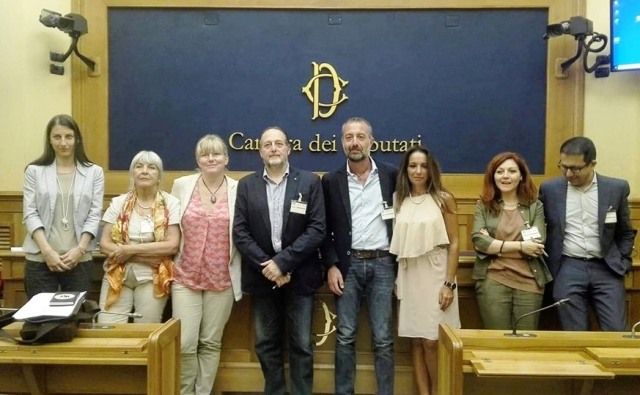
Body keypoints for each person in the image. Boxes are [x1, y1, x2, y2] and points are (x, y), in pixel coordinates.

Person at [233, 126, 325, 395]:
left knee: (302, 345)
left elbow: (317, 229)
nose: (273, 148)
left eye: (278, 143)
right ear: (260, 151)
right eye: (267, 144)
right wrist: (269, 266)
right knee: (265, 343)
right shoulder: (246, 185)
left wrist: (282, 263)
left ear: (288, 148)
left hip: (300, 277)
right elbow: (240, 232)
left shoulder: (309, 182)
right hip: (262, 279)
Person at [321, 117, 398, 395]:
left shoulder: (392, 175)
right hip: (347, 266)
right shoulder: (330, 181)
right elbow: (323, 228)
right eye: (349, 137)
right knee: (344, 337)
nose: (355, 142)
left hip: (384, 264)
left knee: (384, 339)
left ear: (371, 141)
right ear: (341, 143)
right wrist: (331, 264)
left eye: (360, 136)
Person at [170, 135, 242, 395]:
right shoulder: (181, 185)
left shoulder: (239, 189)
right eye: (204, 154)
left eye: (216, 154)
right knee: (185, 343)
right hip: (185, 275)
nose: (210, 159)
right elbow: (170, 225)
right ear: (197, 160)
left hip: (222, 278)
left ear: (226, 159)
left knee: (210, 343)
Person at [540, 137, 636, 331]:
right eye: (563, 166)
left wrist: (623, 260)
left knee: (616, 331)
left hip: (607, 267)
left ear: (592, 164)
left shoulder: (616, 188)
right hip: (568, 266)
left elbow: (625, 231)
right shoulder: (550, 190)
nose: (568, 173)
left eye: (576, 168)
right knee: (574, 333)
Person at [389, 146, 460, 395]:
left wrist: (449, 283)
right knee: (416, 341)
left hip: (436, 272)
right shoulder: (399, 199)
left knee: (432, 341)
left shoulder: (443, 198)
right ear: (406, 170)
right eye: (412, 166)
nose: (418, 171)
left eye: (423, 166)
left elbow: (454, 244)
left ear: (431, 169)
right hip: (409, 273)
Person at [22, 114, 104, 299]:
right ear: (49, 140)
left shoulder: (94, 172)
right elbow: (30, 213)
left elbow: (94, 214)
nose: (63, 142)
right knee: (40, 320)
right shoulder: (34, 171)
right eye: (57, 137)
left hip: (78, 258)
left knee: (72, 321)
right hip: (41, 257)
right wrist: (47, 251)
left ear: (77, 139)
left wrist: (80, 249)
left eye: (68, 136)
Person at [471, 152, 552, 332]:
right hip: (493, 278)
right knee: (497, 339)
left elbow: (537, 245)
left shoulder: (535, 205)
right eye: (500, 171)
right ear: (493, 176)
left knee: (525, 341)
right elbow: (479, 241)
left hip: (530, 280)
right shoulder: (484, 205)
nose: (505, 176)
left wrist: (495, 246)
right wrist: (521, 246)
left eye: (512, 171)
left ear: (521, 175)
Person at [98, 150, 180, 323]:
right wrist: (139, 256)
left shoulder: (171, 203)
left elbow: (172, 245)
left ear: (159, 176)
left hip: (153, 277)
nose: (144, 171)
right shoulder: (119, 202)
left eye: (151, 167)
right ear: (132, 174)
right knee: (107, 327)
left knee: (145, 331)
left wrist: (129, 250)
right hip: (117, 273)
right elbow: (104, 245)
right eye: (139, 166)